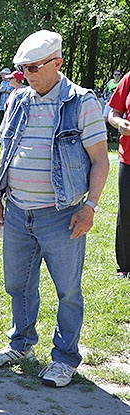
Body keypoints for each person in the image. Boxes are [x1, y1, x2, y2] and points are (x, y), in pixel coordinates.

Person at [0, 30, 109, 387]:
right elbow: (7, 152)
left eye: (35, 67)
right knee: (17, 284)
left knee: (68, 290)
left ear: (58, 63)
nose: (27, 74)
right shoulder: (19, 99)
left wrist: (90, 207)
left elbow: (100, 161)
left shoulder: (81, 102)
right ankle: (21, 344)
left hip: (63, 213)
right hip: (18, 211)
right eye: (22, 68)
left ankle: (65, 358)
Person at [108, 71, 130, 278]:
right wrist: (120, 123)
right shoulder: (129, 78)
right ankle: (125, 265)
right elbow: (113, 113)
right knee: (126, 211)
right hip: (129, 158)